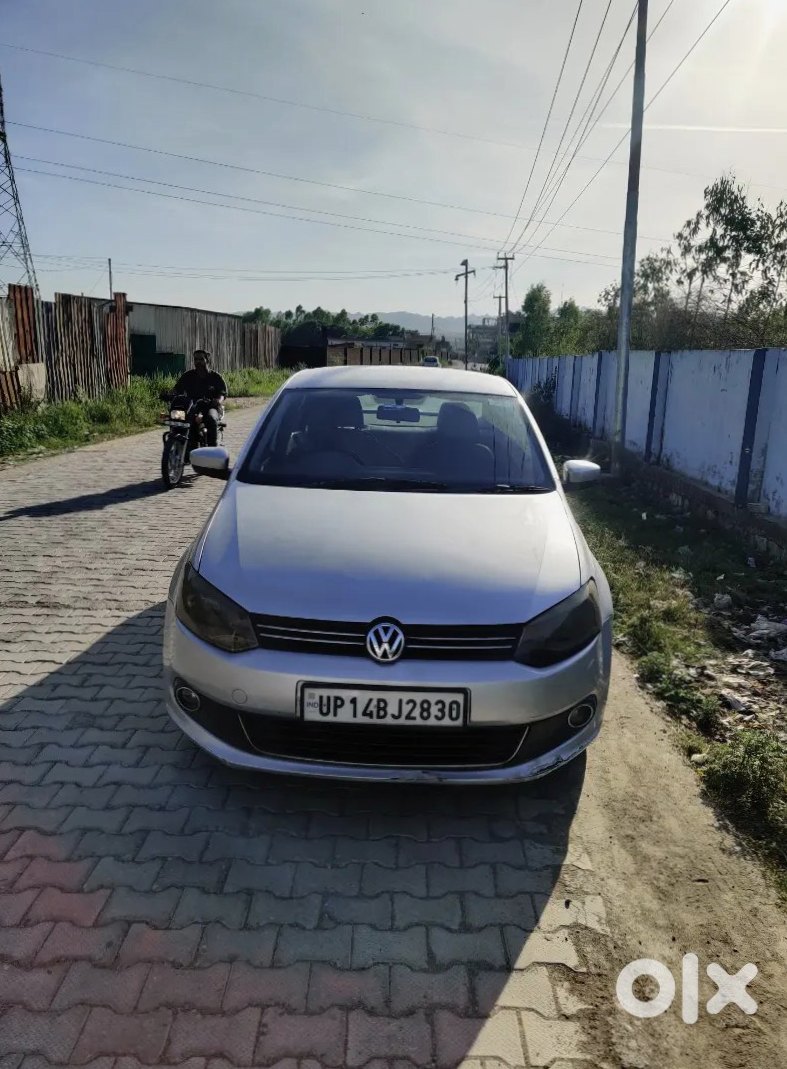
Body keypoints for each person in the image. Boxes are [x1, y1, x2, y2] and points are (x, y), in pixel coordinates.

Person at [173, 350, 227, 447]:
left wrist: (218, 400)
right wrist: (169, 394)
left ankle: (212, 451)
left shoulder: (215, 377)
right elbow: (177, 389)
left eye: (201, 359)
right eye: (196, 359)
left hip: (210, 406)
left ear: (207, 360)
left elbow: (222, 393)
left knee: (211, 419)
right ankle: (183, 444)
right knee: (177, 418)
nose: (198, 362)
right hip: (191, 406)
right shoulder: (188, 376)